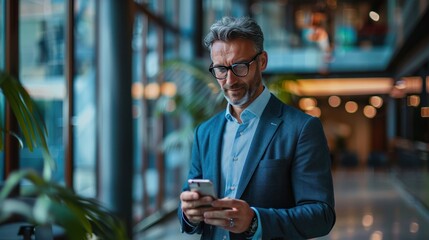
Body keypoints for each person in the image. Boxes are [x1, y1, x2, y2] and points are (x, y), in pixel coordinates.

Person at [178, 16, 335, 240]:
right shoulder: (205, 132)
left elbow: (321, 216)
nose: (230, 80)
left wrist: (255, 221)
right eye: (221, 69)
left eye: (239, 67)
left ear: (262, 61)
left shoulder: (302, 129)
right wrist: (189, 213)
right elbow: (190, 200)